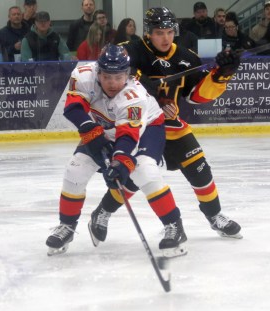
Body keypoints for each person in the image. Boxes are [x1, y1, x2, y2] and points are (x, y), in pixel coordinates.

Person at [88, 7, 242, 249]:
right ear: (149, 32)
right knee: (133, 179)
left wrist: (222, 73)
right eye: (159, 32)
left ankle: (214, 216)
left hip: (171, 126)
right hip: (140, 128)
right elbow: (110, 72)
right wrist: (142, 83)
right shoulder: (132, 50)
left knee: (201, 171)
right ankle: (102, 212)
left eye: (170, 32)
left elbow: (197, 97)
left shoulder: (187, 57)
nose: (165, 38)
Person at [46, 44, 187, 257]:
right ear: (98, 72)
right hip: (104, 127)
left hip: (146, 127)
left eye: (119, 77)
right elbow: (73, 108)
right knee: (75, 169)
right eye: (107, 76)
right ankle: (66, 226)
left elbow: (129, 136)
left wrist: (120, 162)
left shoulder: (135, 96)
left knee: (144, 170)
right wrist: (90, 131)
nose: (112, 83)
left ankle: (174, 227)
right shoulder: (83, 75)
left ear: (128, 74)